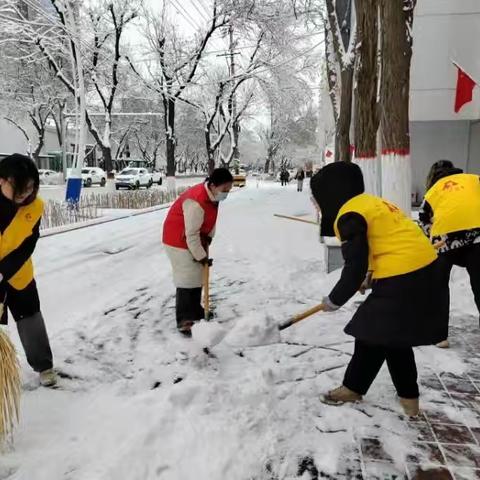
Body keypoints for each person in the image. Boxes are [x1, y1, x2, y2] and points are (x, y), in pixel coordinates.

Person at [310, 162, 446, 416]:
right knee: (388, 336)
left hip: (405, 273)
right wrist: (371, 276)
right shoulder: (370, 203)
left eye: (316, 198)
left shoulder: (348, 215)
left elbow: (355, 264)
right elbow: (386, 241)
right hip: (422, 268)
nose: (316, 205)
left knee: (373, 333)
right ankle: (407, 398)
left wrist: (335, 299)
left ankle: (357, 389)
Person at [0, 154, 56, 387]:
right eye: (20, 188)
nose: (26, 194)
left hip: (20, 274)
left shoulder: (36, 206)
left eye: (31, 187)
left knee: (31, 318)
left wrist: (5, 271)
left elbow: (29, 243)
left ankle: (44, 366)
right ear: (2, 181)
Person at [162, 168, 233, 336]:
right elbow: (191, 234)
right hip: (177, 240)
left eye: (229, 190)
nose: (226, 194)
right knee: (187, 278)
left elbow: (210, 220)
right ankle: (185, 320)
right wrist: (201, 257)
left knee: (197, 276)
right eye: (224, 190)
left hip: (193, 239)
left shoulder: (212, 197)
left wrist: (208, 238)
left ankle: (195, 311)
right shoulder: (196, 201)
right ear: (214, 185)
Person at [419, 160, 480, 348]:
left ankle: (439, 337)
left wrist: (433, 239)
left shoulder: (434, 190)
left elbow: (423, 219)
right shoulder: (473, 179)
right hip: (478, 236)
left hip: (446, 239)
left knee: (438, 286)